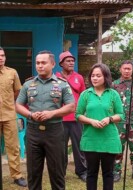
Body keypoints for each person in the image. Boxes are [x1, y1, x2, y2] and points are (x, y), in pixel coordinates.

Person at [15, 50, 75, 190]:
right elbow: (18, 105)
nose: (40, 66)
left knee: (57, 173)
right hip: (33, 132)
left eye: (43, 62)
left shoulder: (62, 84)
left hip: (54, 132)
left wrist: (52, 113)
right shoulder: (28, 84)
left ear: (53, 64)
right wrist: (30, 114)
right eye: (37, 63)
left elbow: (71, 106)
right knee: (33, 173)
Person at [75, 63, 124, 190]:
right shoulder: (86, 94)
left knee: (108, 174)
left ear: (106, 77)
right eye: (92, 76)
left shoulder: (113, 94)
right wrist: (91, 121)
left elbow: (121, 115)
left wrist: (110, 118)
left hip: (109, 139)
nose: (94, 78)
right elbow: (78, 115)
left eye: (98, 75)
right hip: (91, 139)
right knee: (91, 173)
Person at [55, 51, 87, 181]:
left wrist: (83, 112)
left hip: (76, 118)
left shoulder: (78, 77)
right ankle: (60, 172)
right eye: (68, 61)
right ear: (61, 63)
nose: (71, 62)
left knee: (79, 146)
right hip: (60, 118)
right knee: (60, 147)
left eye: (72, 60)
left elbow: (84, 96)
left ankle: (81, 171)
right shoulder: (55, 77)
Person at [112, 60, 133, 182]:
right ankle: (116, 171)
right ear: (120, 69)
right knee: (118, 146)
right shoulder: (114, 85)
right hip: (119, 121)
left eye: (129, 69)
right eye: (124, 68)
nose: (126, 71)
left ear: (132, 70)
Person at [0, 47, 27, 187]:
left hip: (9, 114)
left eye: (3, 55)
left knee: (13, 147)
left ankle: (17, 175)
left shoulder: (12, 72)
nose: (1, 58)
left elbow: (17, 91)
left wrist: (8, 102)